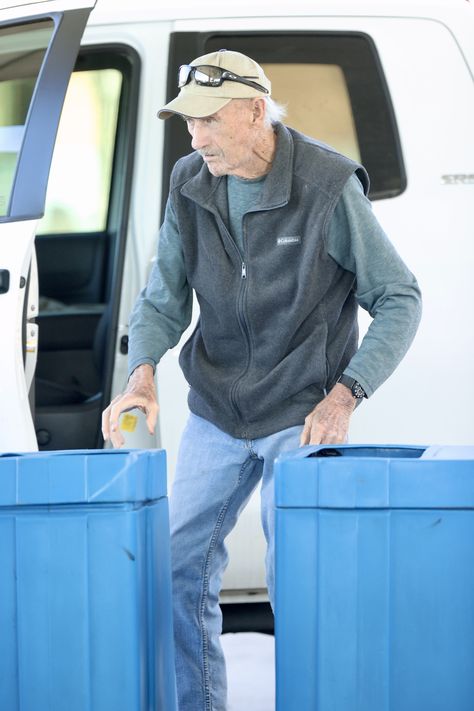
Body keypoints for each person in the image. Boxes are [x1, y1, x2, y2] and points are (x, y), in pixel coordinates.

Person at [102, 49, 422, 711]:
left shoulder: (329, 186)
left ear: (255, 111)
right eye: (188, 123)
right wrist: (143, 376)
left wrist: (345, 394)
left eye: (209, 121)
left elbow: (400, 296)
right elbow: (163, 296)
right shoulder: (190, 182)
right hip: (219, 408)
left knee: (297, 578)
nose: (195, 137)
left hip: (301, 409)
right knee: (176, 567)